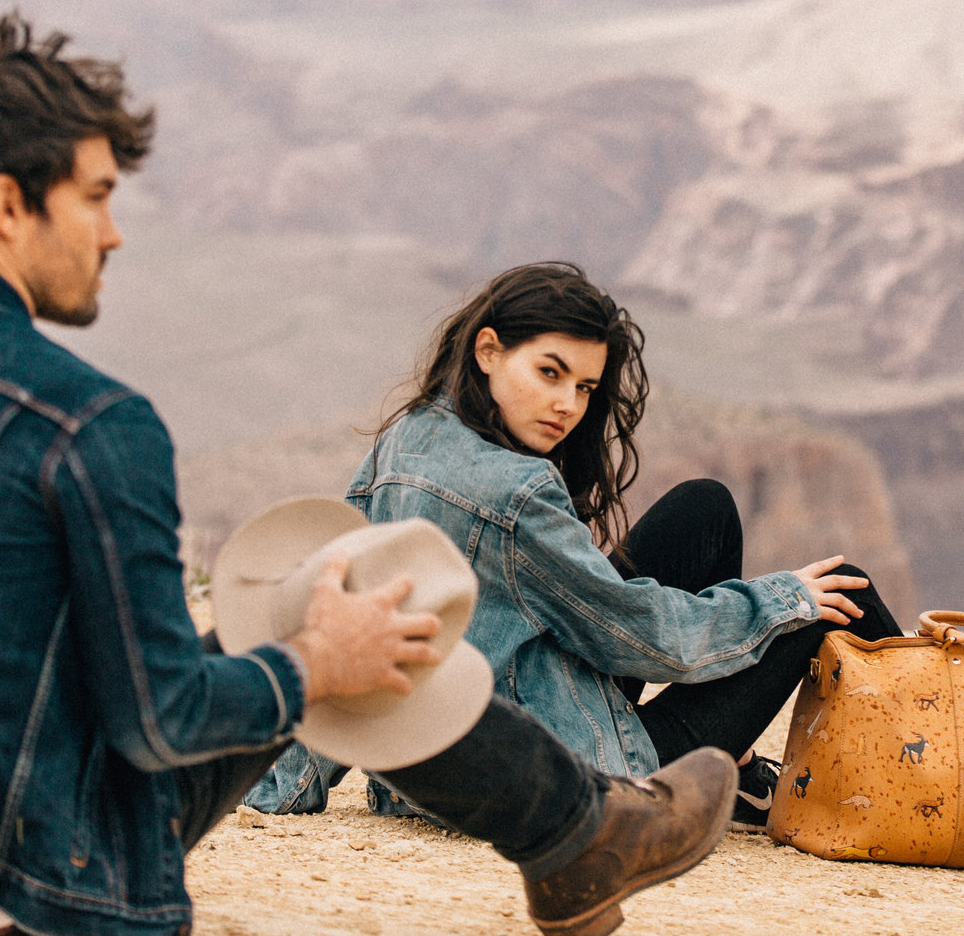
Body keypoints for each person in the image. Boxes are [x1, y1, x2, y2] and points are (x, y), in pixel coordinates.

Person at [0, 16, 736, 936]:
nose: (114, 230)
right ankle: (580, 837)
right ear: (6, 203)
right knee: (330, 613)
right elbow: (162, 719)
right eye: (93, 197)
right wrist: (314, 661)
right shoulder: (89, 423)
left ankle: (576, 833)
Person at [247, 263, 903, 827]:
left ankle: (732, 768)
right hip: (564, 776)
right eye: (550, 372)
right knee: (841, 592)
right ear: (488, 350)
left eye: (585, 387)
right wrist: (781, 600)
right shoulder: (517, 490)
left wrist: (292, 777)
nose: (567, 404)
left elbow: (346, 597)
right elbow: (636, 635)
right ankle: (939, 777)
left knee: (703, 509)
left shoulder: (409, 437)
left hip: (424, 776)